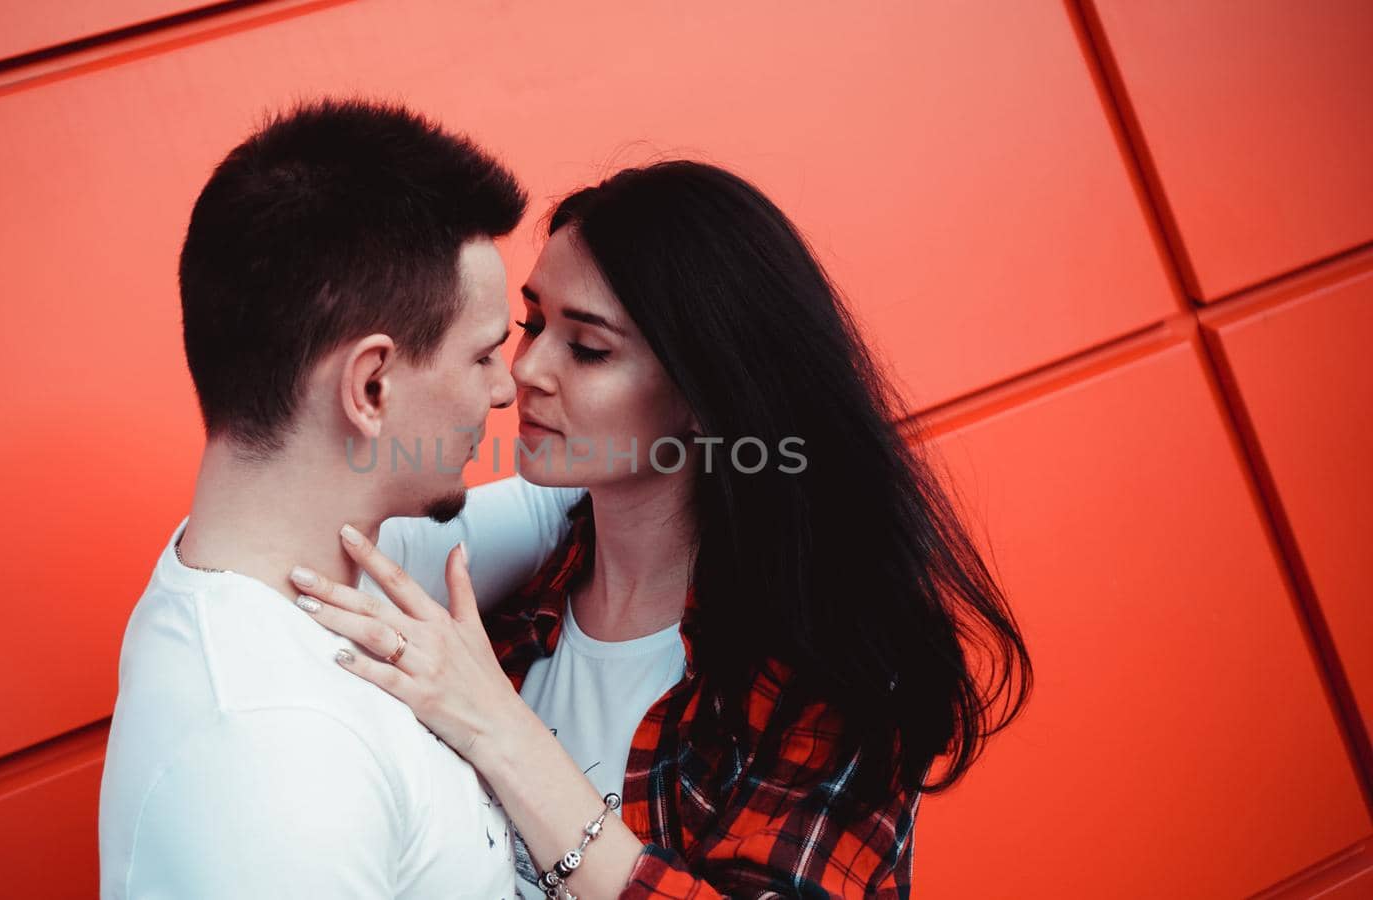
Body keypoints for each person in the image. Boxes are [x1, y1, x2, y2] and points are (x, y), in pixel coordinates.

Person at [290, 160, 1035, 898]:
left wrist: (498, 730)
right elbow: (271, 546)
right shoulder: (511, 601)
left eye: (588, 348)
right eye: (533, 324)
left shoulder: (828, 678)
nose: (525, 371)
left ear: (707, 395)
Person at [97, 98, 585, 899]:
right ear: (371, 383)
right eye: (484, 355)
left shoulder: (337, 569)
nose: (509, 389)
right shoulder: (266, 752)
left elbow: (554, 502)